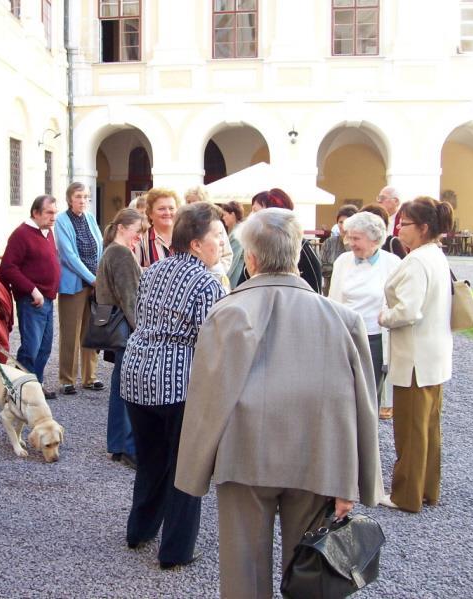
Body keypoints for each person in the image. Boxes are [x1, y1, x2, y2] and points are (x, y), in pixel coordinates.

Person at [175, 207, 382, 598]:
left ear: (250, 258)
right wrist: (353, 479)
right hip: (318, 459)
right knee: (309, 571)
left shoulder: (228, 312)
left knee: (242, 574)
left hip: (244, 457)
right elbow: (362, 406)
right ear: (296, 253)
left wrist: (193, 470)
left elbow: (207, 399)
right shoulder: (343, 319)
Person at [121, 202, 226, 569]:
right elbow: (212, 340)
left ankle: (140, 530)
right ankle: (176, 550)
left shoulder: (154, 269)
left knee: (151, 459)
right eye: (216, 236)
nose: (222, 244)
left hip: (136, 374)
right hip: (177, 383)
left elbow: (141, 316)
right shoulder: (208, 282)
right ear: (196, 243)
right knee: (187, 466)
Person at [378, 197, 454, 513]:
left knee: (410, 430)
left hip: (415, 359)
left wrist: (385, 316)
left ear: (423, 228)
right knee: (428, 429)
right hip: (433, 354)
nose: (399, 228)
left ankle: (405, 496)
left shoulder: (417, 261)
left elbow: (409, 310)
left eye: (405, 223)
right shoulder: (435, 256)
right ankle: (427, 489)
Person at [329, 211, 401, 403]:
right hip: (346, 337)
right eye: (348, 237)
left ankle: (370, 433)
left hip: (374, 337)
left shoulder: (392, 264)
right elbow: (333, 300)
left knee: (369, 397)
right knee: (343, 395)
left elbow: (398, 303)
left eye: (356, 238)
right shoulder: (343, 261)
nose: (350, 243)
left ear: (374, 239)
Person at [95, 208, 143, 469]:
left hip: (116, 329)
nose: (139, 237)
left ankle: (117, 444)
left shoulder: (112, 251)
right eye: (137, 231)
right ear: (123, 227)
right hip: (127, 330)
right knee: (127, 389)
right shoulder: (121, 253)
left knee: (120, 388)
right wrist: (142, 330)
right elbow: (130, 299)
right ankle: (126, 446)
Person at [0, 195, 61, 399]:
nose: (53, 217)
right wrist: (32, 289)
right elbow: (8, 268)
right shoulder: (21, 234)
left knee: (45, 347)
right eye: (49, 212)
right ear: (35, 213)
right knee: (31, 348)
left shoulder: (47, 232)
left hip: (48, 298)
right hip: (32, 300)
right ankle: (21, 388)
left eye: (55, 212)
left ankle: (36, 384)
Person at [54, 182, 104, 395]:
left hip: (94, 282)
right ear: (69, 199)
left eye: (86, 197)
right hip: (74, 283)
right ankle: (67, 379)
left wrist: (99, 278)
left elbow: (99, 248)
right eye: (78, 197)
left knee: (91, 330)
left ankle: (90, 377)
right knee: (70, 332)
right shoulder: (61, 221)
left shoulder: (91, 219)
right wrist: (91, 278)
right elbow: (69, 256)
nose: (83, 201)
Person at [237, 188, 322, 293]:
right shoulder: (254, 246)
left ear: (274, 215)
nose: (250, 216)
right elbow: (242, 283)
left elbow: (314, 289)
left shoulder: (301, 246)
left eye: (255, 211)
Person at [184, 185, 233, 284]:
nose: (191, 205)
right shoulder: (184, 225)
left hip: (213, 278)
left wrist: (216, 271)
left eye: (194, 201)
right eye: (188, 202)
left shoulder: (216, 225)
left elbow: (227, 254)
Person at [134, 188, 180, 267]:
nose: (167, 212)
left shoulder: (186, 238)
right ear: (150, 213)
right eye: (161, 209)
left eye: (171, 208)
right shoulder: (141, 241)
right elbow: (136, 274)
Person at [320, 204, 358, 294]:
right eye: (340, 222)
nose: (343, 225)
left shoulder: (359, 243)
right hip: (330, 290)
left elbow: (357, 266)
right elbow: (321, 267)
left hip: (353, 291)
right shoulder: (329, 242)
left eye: (347, 222)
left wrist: (348, 246)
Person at [218, 200, 245, 287]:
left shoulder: (237, 234)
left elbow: (231, 262)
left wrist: (221, 283)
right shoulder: (237, 231)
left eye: (225, 214)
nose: (223, 218)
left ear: (233, 215)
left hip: (234, 282)